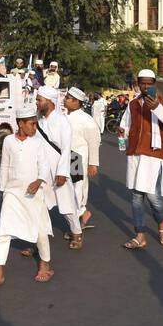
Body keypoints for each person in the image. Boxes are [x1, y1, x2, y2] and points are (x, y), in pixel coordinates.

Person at [0, 104, 54, 289]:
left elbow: (45, 166)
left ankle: (45, 264)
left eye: (35, 123)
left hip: (34, 193)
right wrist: (3, 190)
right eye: (31, 124)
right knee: (3, 231)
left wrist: (39, 181)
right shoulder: (8, 141)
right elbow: (5, 166)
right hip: (12, 193)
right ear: (20, 124)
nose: (34, 127)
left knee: (40, 231)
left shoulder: (38, 142)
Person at [119, 68, 163, 247]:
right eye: (142, 83)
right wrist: (123, 131)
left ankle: (162, 224)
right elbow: (126, 123)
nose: (145, 87)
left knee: (153, 198)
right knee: (136, 197)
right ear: (138, 83)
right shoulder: (133, 103)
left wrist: (157, 108)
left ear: (154, 84)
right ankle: (140, 235)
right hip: (135, 154)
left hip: (153, 155)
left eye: (149, 83)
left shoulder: (161, 102)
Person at [35, 86, 77, 253]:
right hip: (41, 169)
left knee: (66, 203)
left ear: (50, 102)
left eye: (40, 100)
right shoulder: (38, 120)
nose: (37, 103)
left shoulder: (62, 121)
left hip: (59, 168)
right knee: (39, 204)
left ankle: (76, 232)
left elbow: (66, 149)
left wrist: (62, 172)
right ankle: (39, 239)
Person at [64, 87, 101, 241]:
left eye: (68, 98)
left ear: (76, 102)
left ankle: (77, 225)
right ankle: (82, 215)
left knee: (77, 190)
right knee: (68, 190)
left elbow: (94, 141)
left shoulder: (86, 120)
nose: (64, 99)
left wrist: (93, 163)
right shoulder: (65, 116)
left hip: (77, 158)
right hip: (66, 157)